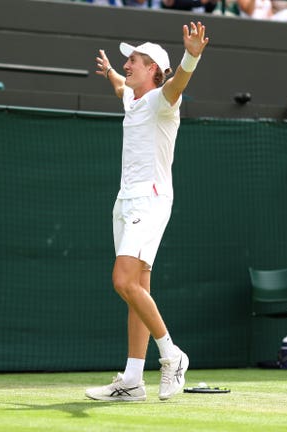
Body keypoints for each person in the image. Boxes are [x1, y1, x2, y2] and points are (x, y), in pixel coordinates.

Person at [85, 21, 208, 402]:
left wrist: (191, 55)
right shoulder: (133, 98)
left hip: (150, 201)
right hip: (124, 201)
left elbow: (178, 83)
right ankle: (133, 380)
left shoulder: (163, 99)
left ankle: (172, 354)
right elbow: (123, 89)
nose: (127, 64)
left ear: (153, 67)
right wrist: (110, 75)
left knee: (123, 281)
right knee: (137, 290)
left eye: (133, 60)